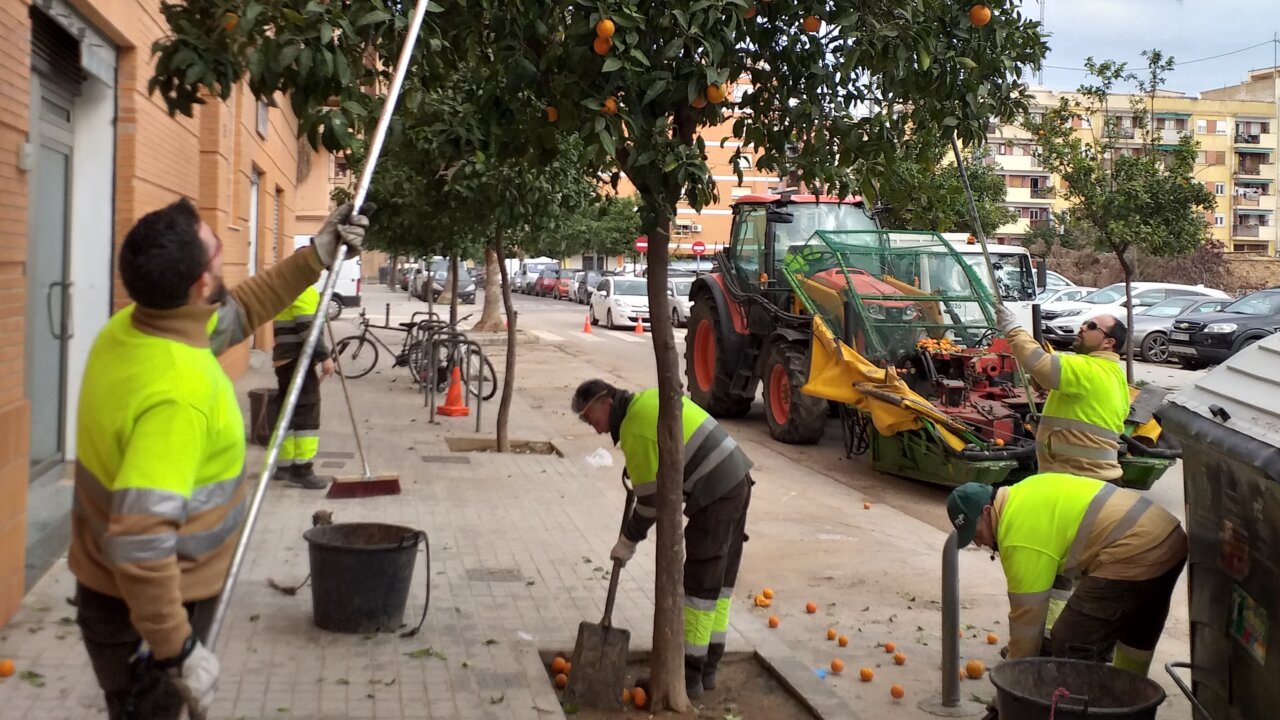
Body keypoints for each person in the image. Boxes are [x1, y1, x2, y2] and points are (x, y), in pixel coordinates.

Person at [71, 199, 366, 719]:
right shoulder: (180, 394)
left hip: (113, 599)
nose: (225, 257)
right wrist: (178, 650)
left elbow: (244, 308)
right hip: (150, 613)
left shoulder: (131, 328)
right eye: (216, 253)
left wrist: (316, 255)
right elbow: (140, 542)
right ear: (199, 286)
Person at [573, 379, 752, 700]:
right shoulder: (647, 400)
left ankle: (688, 677)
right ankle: (708, 668)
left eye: (591, 418)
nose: (594, 428)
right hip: (737, 477)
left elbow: (650, 503)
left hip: (716, 491)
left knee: (700, 585)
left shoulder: (634, 429)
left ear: (607, 402)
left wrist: (627, 542)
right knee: (719, 583)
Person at [946, 474, 1187, 676]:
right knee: (1137, 633)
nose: (979, 544)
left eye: (977, 535)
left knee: (1071, 639)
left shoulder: (1016, 532)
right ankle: (1129, 699)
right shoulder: (1023, 492)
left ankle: (1081, 706)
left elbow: (1027, 623)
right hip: (1170, 537)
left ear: (987, 512)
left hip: (1136, 548)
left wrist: (1013, 680)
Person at [995, 305, 1129, 483]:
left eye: (1092, 326)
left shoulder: (1087, 369)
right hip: (1096, 477)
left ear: (1108, 343)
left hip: (1077, 479)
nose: (1082, 327)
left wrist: (1012, 328)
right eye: (1085, 323)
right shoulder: (1116, 377)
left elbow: (1038, 362)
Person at [272, 264, 335, 489]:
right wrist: (325, 357)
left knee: (288, 411)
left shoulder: (288, 290)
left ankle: (285, 465)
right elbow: (308, 330)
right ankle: (303, 468)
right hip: (297, 361)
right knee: (307, 408)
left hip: (284, 359)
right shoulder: (304, 291)